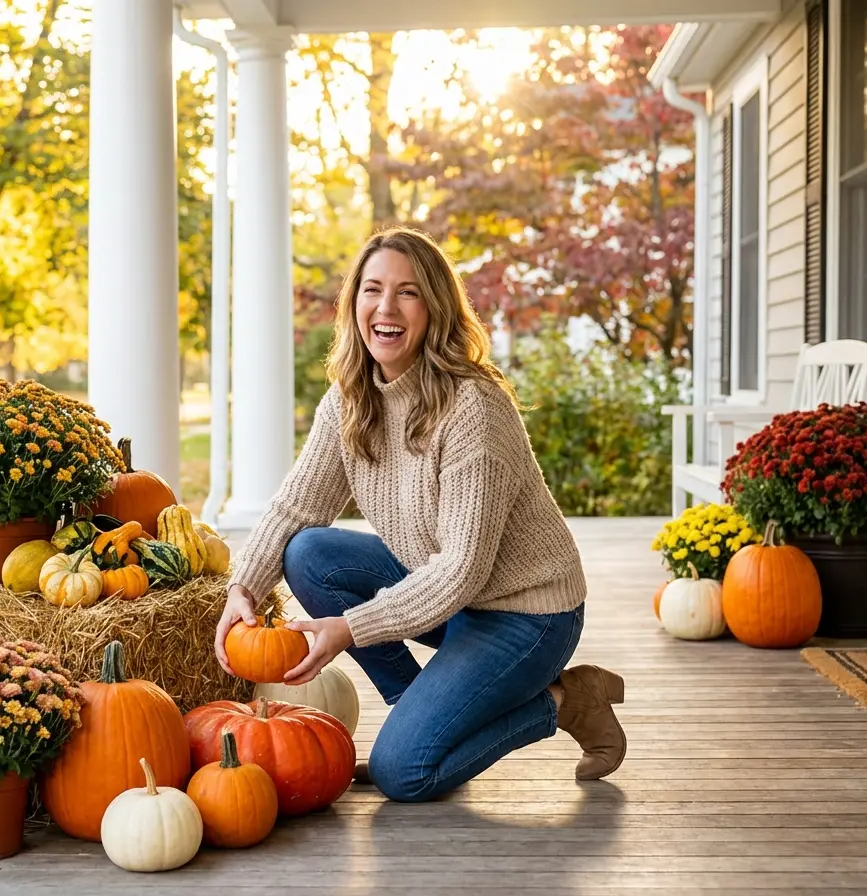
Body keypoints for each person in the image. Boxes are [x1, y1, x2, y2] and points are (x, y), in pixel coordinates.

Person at [214, 226, 627, 802]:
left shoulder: (473, 409)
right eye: (372, 289)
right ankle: (422, 713)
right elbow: (296, 506)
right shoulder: (350, 398)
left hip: (526, 615)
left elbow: (461, 571)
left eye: (407, 293)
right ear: (353, 301)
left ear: (434, 308)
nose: (386, 308)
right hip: (447, 596)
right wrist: (244, 590)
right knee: (309, 552)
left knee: (404, 774)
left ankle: (567, 701)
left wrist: (349, 628)